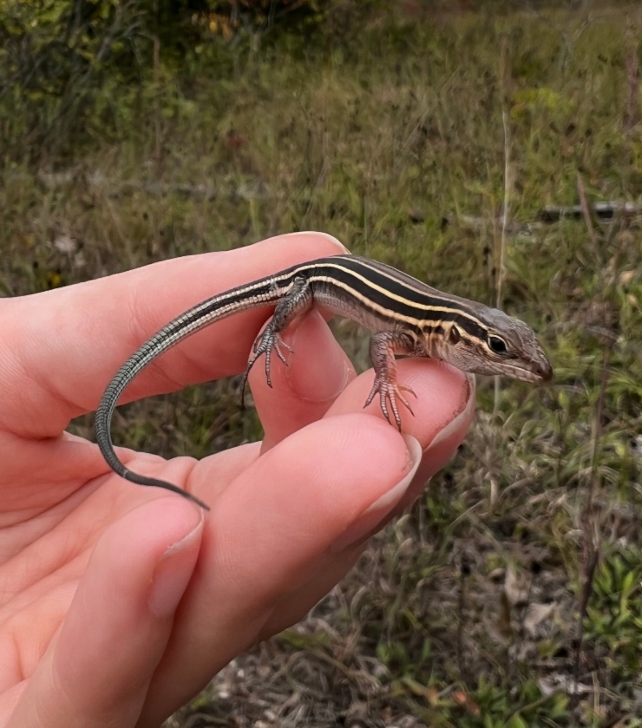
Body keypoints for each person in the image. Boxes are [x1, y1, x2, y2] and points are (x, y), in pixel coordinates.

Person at [0, 232, 475, 728]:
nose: (510, 364)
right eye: (499, 350)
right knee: (291, 323)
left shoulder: (428, 326)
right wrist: (376, 376)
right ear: (460, 335)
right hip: (308, 281)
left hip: (321, 276)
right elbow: (380, 340)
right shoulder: (415, 329)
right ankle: (272, 333)